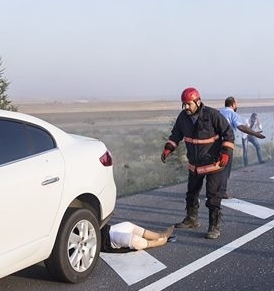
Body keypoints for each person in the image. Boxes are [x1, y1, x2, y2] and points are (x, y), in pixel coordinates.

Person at [162, 87, 235, 240]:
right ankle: (191, 219)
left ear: (198, 101)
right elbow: (176, 135)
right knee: (191, 194)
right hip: (195, 165)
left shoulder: (213, 115)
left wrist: (226, 153)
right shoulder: (183, 118)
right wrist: (168, 148)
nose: (186, 107)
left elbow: (228, 133)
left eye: (188, 104)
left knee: (213, 196)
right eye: (184, 104)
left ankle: (214, 226)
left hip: (214, 164)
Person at [219, 97, 265, 192]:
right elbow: (241, 127)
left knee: (217, 168)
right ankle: (222, 191)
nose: (237, 106)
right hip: (227, 143)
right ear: (233, 105)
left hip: (215, 143)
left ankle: (214, 190)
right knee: (226, 167)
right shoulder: (233, 114)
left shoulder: (218, 112)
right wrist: (256, 134)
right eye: (236, 104)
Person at [105, 221, 174, 251]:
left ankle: (159, 235)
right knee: (133, 239)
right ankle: (155, 243)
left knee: (128, 225)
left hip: (106, 229)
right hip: (103, 239)